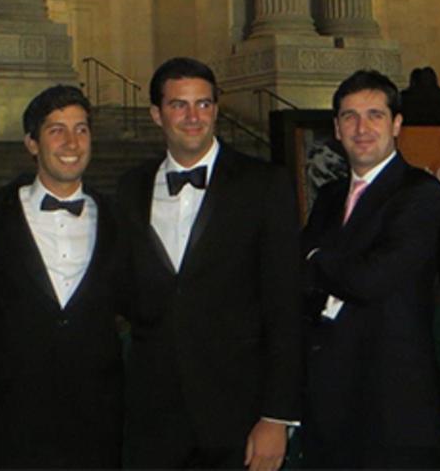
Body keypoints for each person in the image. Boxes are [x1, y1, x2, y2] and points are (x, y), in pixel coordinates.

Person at [116, 57, 301, 471]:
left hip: (240, 417)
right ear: (156, 114)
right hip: (155, 418)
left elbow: (285, 306)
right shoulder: (130, 188)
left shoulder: (264, 184)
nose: (193, 117)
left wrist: (277, 416)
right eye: (179, 105)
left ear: (216, 109)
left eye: (203, 104)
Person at [300, 69, 440, 468]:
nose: (361, 128)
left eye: (374, 115)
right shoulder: (329, 197)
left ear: (397, 124)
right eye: (349, 116)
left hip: (394, 411)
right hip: (329, 408)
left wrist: (315, 258)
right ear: (336, 128)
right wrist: (322, 265)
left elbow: (371, 279)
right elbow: (300, 282)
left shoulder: (420, 192)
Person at [0, 85, 125, 469]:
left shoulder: (120, 218)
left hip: (97, 426)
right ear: (32, 143)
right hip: (11, 425)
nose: (71, 143)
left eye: (81, 130)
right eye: (56, 130)